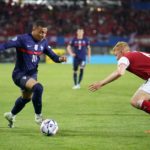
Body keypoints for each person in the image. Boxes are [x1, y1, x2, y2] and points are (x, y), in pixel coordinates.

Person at [0, 20, 67, 128]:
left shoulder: (44, 42)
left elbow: (54, 57)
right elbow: (6, 45)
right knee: (38, 88)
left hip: (32, 75)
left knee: (26, 98)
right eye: (41, 32)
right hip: (19, 74)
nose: (43, 35)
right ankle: (38, 117)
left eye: (45, 32)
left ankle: (11, 115)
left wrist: (60, 59)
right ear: (33, 29)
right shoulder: (22, 39)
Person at [89, 41, 150, 116]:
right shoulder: (136, 53)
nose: (116, 59)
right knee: (145, 100)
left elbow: (120, 72)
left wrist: (101, 83)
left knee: (136, 101)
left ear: (121, 51)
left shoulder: (125, 57)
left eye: (116, 55)